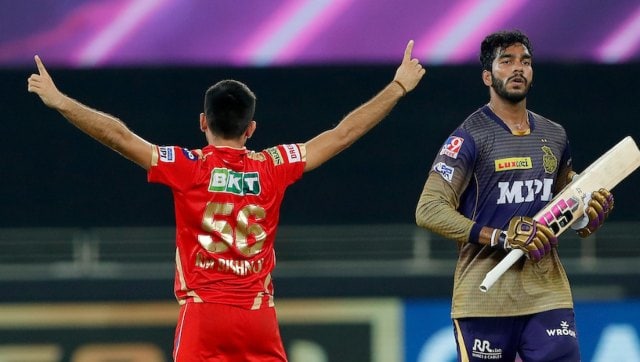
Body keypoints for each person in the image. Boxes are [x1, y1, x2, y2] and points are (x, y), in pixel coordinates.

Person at [28, 41, 425, 361]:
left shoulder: (188, 167)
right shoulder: (273, 165)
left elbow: (119, 136)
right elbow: (341, 134)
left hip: (203, 313)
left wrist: (61, 100)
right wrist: (398, 87)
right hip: (258, 315)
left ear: (203, 122)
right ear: (251, 129)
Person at [415, 30, 614, 362]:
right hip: (485, 296)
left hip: (547, 293)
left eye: (525, 61)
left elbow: (570, 202)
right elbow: (428, 209)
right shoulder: (469, 137)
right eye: (506, 61)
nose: (517, 68)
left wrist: (588, 216)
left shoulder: (554, 134)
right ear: (487, 76)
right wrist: (502, 237)